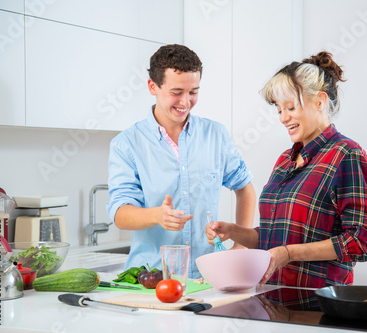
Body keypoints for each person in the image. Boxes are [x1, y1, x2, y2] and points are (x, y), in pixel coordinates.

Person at [205, 51, 367, 288]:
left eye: (289, 107)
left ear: (319, 102)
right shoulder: (285, 160)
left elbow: (362, 241)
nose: (283, 118)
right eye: (279, 110)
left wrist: (290, 253)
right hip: (271, 303)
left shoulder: (346, 155)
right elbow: (273, 238)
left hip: (317, 310)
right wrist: (234, 231)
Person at [107, 44, 256, 278]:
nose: (185, 102)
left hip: (208, 276)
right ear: (152, 86)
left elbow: (244, 187)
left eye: (193, 92)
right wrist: (157, 215)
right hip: (150, 278)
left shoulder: (215, 135)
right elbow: (120, 214)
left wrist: (240, 244)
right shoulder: (126, 144)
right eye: (176, 92)